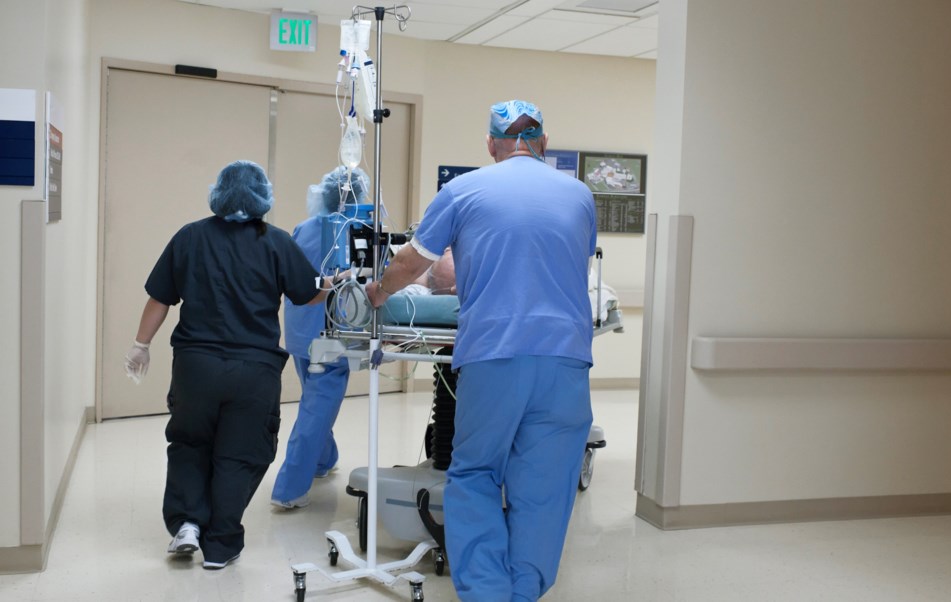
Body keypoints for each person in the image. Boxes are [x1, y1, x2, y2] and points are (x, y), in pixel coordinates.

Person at [365, 100, 597, 601]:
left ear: (491, 145)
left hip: (495, 354)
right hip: (566, 359)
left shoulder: (464, 189)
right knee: (546, 484)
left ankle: (488, 593)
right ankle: (524, 590)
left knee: (475, 475)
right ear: (544, 143)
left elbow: (413, 262)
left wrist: (379, 291)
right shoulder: (580, 194)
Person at [123, 160, 332, 570]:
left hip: (195, 368)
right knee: (240, 453)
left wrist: (140, 345)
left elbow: (160, 298)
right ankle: (220, 544)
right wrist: (331, 283)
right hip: (252, 371)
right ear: (262, 198)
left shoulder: (190, 237)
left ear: (217, 193)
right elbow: (307, 294)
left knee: (189, 443)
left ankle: (186, 522)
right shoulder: (276, 242)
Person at [270, 166, 370, 509]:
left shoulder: (305, 227)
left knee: (314, 400)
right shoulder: (361, 230)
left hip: (300, 330)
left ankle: (324, 460)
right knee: (315, 409)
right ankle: (289, 489)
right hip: (333, 335)